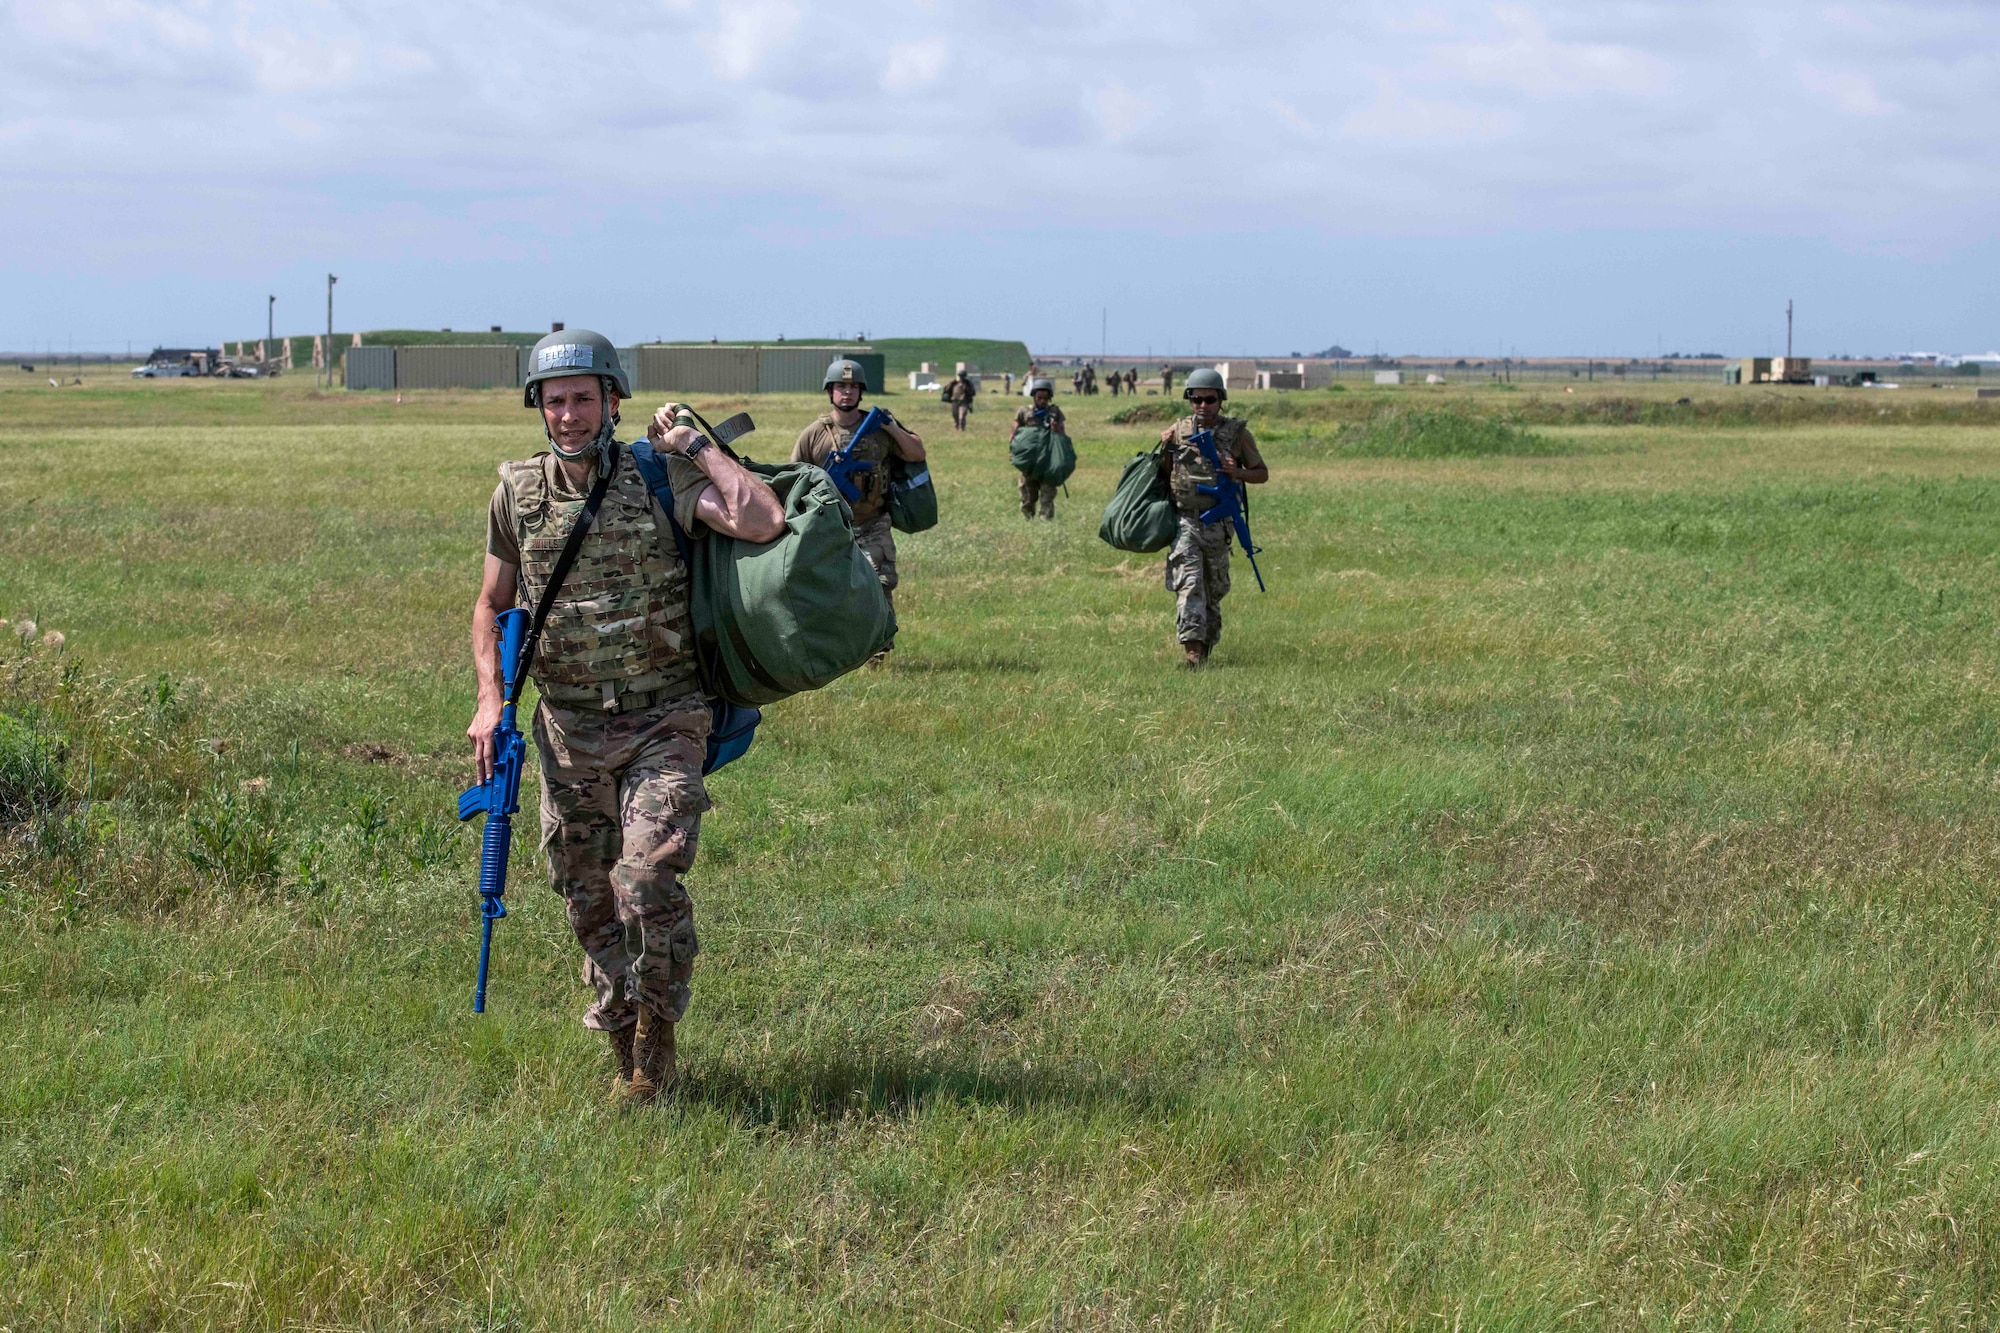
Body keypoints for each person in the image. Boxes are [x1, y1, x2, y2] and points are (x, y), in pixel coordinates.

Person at [469, 329, 786, 1103]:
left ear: (613, 401)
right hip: (567, 730)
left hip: (663, 719)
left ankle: (658, 1034)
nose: (569, 414)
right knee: (588, 898)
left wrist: (697, 448)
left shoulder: (657, 476)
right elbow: (490, 604)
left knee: (645, 877)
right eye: (555, 400)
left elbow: (763, 519)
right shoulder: (518, 491)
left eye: (584, 398)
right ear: (538, 407)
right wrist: (488, 698)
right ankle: (626, 1048)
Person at [792, 358, 926, 652]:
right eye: (841, 386)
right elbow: (793, 481)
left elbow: (916, 453)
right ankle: (838, 651)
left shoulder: (879, 427)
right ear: (830, 391)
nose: (847, 392)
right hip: (830, 526)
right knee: (832, 591)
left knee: (880, 584)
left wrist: (891, 428)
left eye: (853, 386)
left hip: (874, 523)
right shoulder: (814, 434)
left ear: (861, 391)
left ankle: (880, 650)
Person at [1156, 367, 1268, 668]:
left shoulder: (1237, 435)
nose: (1202, 406)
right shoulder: (1178, 432)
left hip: (1218, 525)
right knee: (1189, 583)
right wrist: (1165, 449)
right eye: (1196, 399)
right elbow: (1163, 475)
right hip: (1186, 521)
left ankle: (1204, 650)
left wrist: (1237, 472)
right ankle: (1191, 653)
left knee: (1213, 590)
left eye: (1209, 399)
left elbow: (1262, 474)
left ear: (1221, 400)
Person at [1014, 378, 1065, 520]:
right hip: (1030, 462)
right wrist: (1013, 453)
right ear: (1034, 397)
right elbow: (1015, 434)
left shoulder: (1055, 413)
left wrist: (1056, 430)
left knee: (1047, 496)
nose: (1042, 401)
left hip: (1048, 462)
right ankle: (1027, 519)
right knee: (1028, 496)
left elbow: (1063, 436)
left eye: (1045, 398)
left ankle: (1045, 524)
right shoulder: (1025, 413)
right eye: (1039, 398)